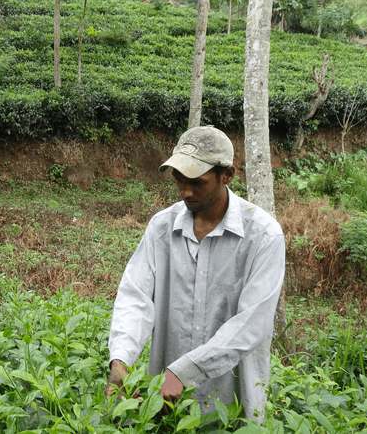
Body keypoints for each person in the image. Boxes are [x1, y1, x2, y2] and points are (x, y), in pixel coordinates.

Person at [105, 126, 285, 424]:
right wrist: (121, 360)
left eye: (196, 183)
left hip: (231, 403)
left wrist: (182, 371)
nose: (185, 191)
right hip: (164, 403)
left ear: (227, 174)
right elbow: (134, 297)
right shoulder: (162, 228)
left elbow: (251, 323)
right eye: (179, 179)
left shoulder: (263, 236)